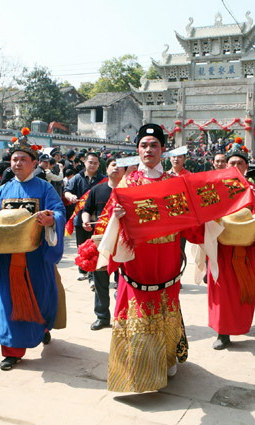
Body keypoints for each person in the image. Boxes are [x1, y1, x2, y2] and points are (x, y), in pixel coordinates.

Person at [105, 124, 203, 392]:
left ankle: (167, 356)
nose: (149, 150)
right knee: (136, 306)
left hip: (168, 255)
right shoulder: (128, 182)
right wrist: (116, 215)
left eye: (154, 145)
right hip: (137, 258)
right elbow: (110, 220)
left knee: (166, 304)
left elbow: (190, 224)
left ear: (163, 150)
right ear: (137, 150)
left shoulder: (175, 183)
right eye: (144, 145)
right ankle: (133, 368)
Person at [0, 134, 66, 371]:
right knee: (8, 304)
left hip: (36, 257)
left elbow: (58, 212)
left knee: (41, 297)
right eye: (14, 159)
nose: (17, 163)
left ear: (34, 162)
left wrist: (51, 220)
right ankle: (11, 350)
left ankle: (42, 327)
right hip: (8, 258)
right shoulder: (4, 189)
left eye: (23, 159)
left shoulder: (44, 188)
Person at [208, 148, 255, 350]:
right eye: (231, 163)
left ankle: (241, 324)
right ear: (226, 166)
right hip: (221, 251)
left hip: (245, 252)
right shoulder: (216, 189)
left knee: (246, 292)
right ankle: (222, 332)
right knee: (222, 294)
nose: (235, 167)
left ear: (246, 167)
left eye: (240, 164)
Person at [81, 156, 125, 331]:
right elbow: (87, 210)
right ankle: (102, 316)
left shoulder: (130, 191)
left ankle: (123, 314)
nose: (116, 168)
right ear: (106, 169)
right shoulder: (97, 190)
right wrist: (85, 221)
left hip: (123, 241)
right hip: (101, 240)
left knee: (124, 279)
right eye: (113, 165)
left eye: (120, 166)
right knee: (100, 281)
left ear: (125, 171)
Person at [64, 152, 105, 283]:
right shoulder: (77, 178)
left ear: (99, 165)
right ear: (85, 163)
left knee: (95, 247)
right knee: (82, 246)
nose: (92, 165)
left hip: (98, 219)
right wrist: (69, 196)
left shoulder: (103, 179)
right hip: (80, 217)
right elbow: (67, 190)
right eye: (90, 162)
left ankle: (93, 275)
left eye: (95, 163)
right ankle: (82, 270)